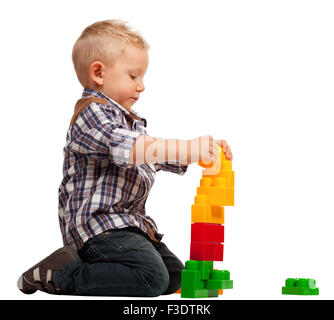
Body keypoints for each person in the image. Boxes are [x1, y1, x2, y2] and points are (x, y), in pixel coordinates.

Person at [17, 20, 233, 297]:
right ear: (99, 73)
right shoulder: (91, 114)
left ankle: (99, 271)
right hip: (99, 228)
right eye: (134, 76)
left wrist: (202, 155)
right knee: (151, 278)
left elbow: (151, 155)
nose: (141, 86)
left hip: (132, 227)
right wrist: (187, 147)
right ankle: (63, 273)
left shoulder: (127, 122)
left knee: (176, 278)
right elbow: (133, 148)